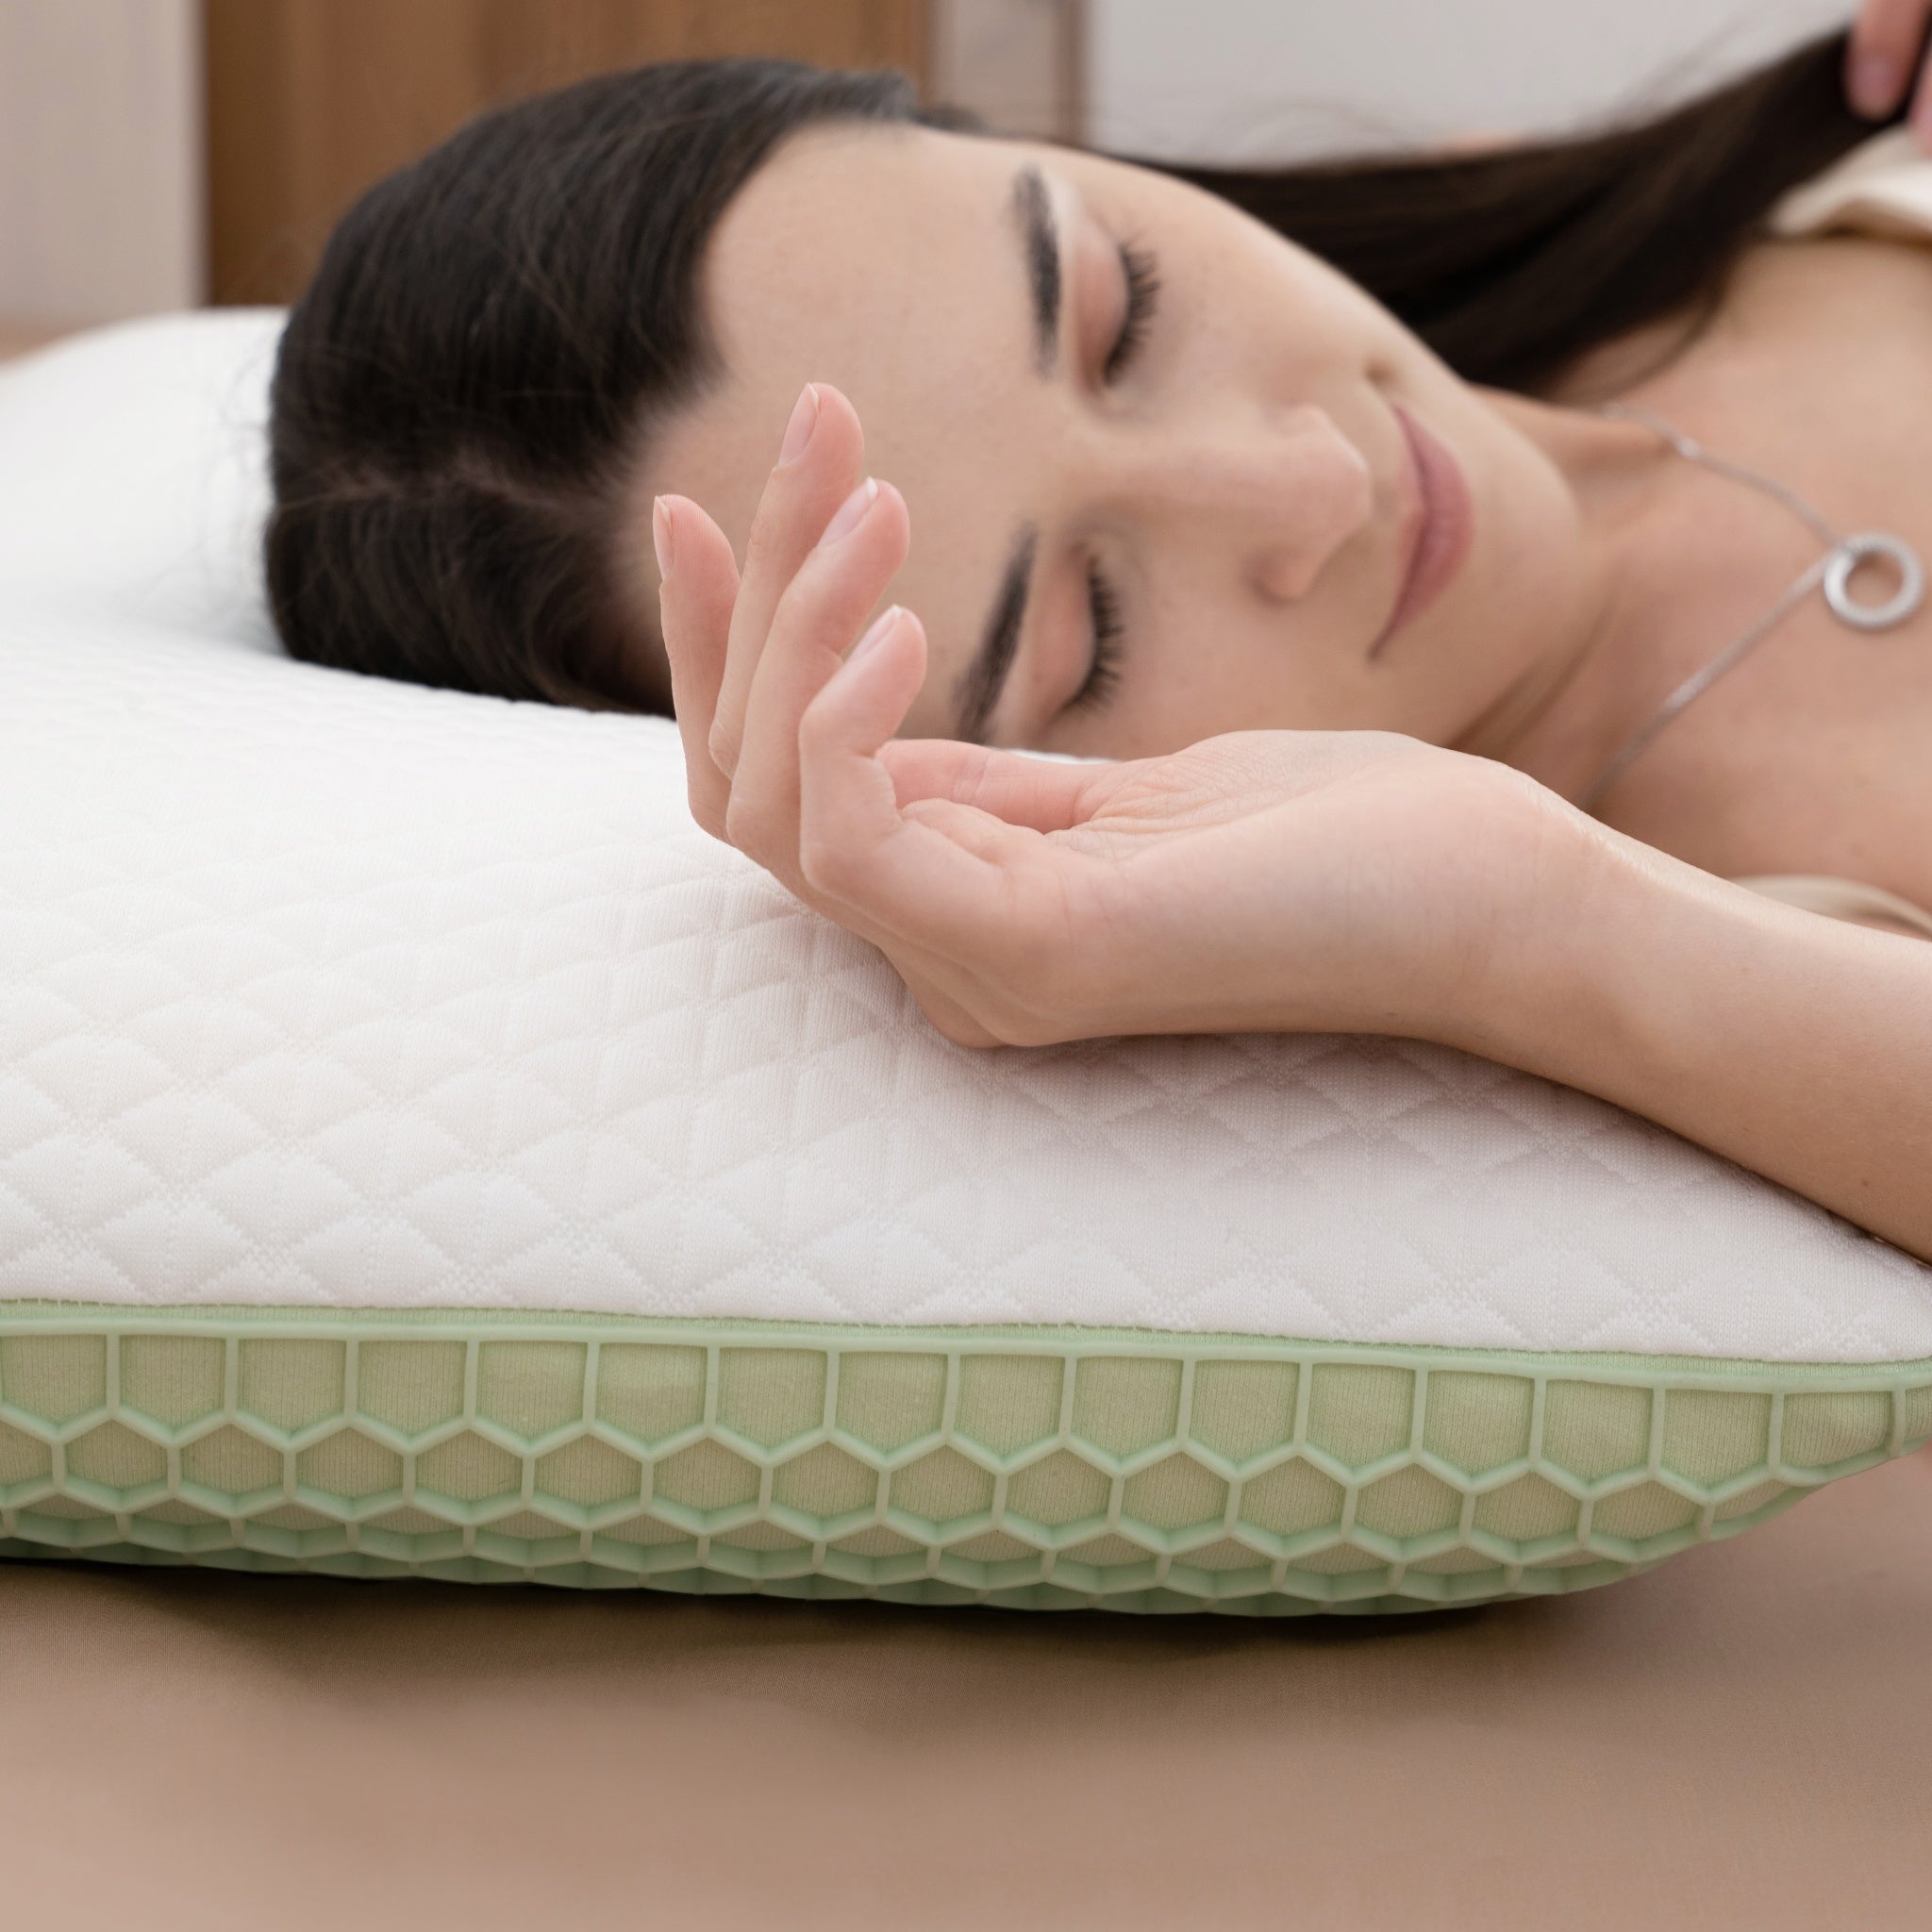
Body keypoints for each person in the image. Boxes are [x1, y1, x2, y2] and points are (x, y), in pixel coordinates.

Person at [264, 17, 1932, 1265]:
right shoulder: (1766, 976)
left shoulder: (1764, 186)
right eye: (1089, 636)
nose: (1304, 483)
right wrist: (1519, 928)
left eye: (1120, 304)